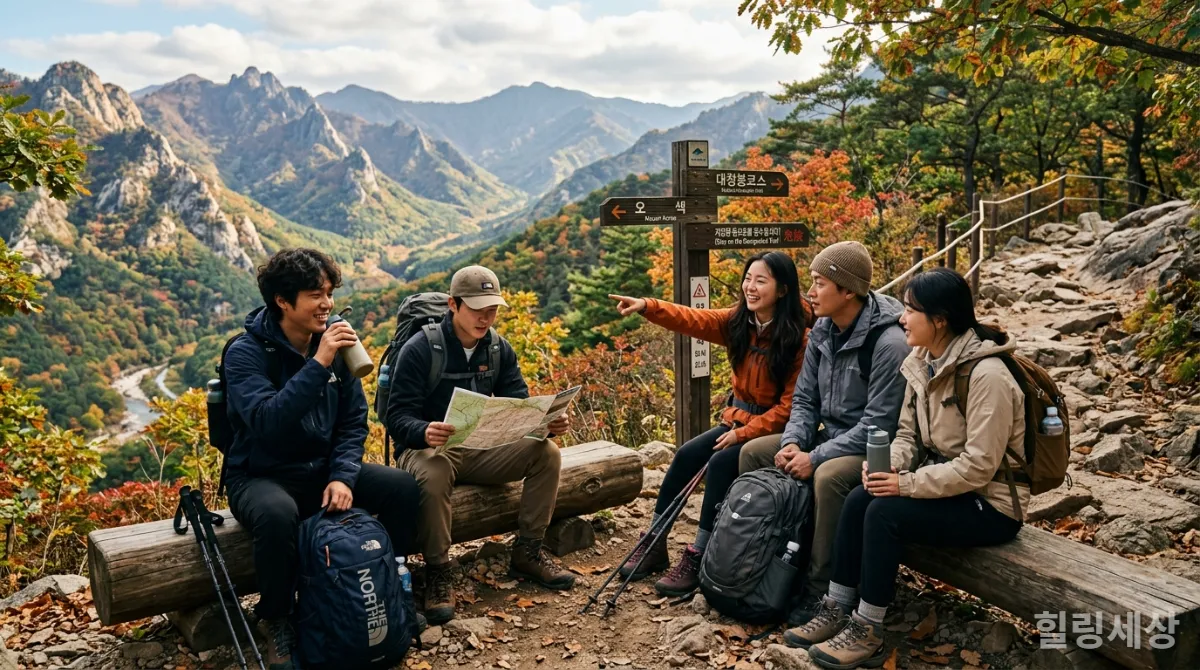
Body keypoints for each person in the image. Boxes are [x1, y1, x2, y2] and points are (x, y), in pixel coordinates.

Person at [787, 268, 1026, 669]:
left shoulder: (988, 376)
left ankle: (867, 628)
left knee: (884, 512)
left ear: (940, 319)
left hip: (991, 505)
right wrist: (886, 470)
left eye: (911, 310)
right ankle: (836, 607)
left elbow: (978, 468)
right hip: (947, 488)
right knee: (864, 495)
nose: (902, 318)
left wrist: (906, 484)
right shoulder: (922, 360)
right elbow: (907, 436)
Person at [223, 248, 421, 670]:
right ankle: (275, 617)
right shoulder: (245, 353)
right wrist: (319, 362)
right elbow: (266, 421)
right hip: (260, 475)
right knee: (277, 515)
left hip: (323, 470)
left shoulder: (337, 347)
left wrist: (343, 476)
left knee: (402, 488)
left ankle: (391, 587)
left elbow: (353, 423)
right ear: (282, 300)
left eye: (329, 293)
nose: (327, 304)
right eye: (316, 294)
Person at [609, 251, 813, 596]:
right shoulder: (739, 322)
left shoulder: (800, 337)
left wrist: (743, 433)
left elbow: (790, 408)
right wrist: (647, 305)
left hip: (775, 432)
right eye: (748, 278)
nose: (750, 286)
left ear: (783, 290)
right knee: (688, 454)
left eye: (761, 280)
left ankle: (698, 552)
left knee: (719, 464)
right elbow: (692, 319)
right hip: (737, 422)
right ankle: (655, 543)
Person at [384, 265, 575, 626]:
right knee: (436, 471)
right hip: (426, 449)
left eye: (492, 310)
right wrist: (424, 431)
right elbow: (396, 416)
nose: (486, 318)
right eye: (477, 309)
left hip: (480, 446)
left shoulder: (499, 349)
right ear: (454, 305)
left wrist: (545, 424)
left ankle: (529, 551)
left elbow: (517, 404)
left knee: (546, 453)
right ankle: (439, 570)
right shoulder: (421, 349)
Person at [738, 241, 909, 623]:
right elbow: (804, 402)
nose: (810, 293)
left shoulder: (888, 344)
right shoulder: (822, 331)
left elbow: (878, 425)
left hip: (875, 447)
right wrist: (792, 443)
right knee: (753, 453)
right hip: (826, 437)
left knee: (829, 477)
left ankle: (821, 588)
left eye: (819, 283)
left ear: (847, 290)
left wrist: (814, 458)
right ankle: (757, 560)